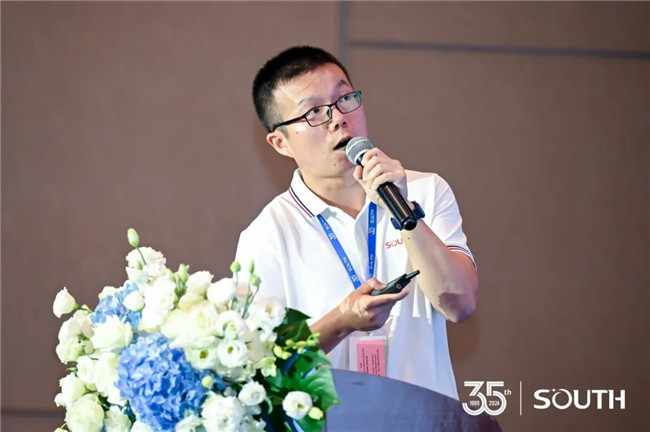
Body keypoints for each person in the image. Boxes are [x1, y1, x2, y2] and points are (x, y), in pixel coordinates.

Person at [235, 46, 478, 400]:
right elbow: (259, 371)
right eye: (314, 112)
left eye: (345, 99)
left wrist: (407, 216)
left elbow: (461, 304)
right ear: (280, 142)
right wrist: (343, 321)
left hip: (427, 420)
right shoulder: (267, 236)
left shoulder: (425, 191)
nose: (338, 118)